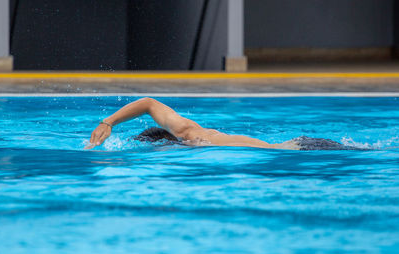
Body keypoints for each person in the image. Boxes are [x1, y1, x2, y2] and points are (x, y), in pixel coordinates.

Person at [85, 97, 355, 150]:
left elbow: (149, 103)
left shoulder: (185, 133)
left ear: (164, 142)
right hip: (297, 145)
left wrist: (108, 122)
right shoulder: (196, 138)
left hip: (299, 148)